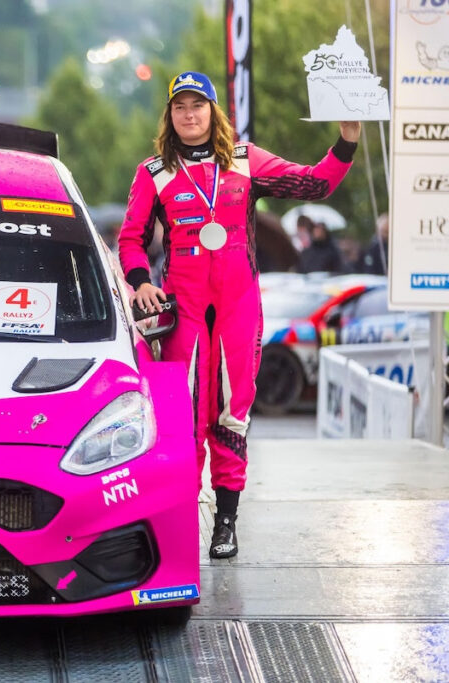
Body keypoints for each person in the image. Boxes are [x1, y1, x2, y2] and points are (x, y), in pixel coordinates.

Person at [119, 71, 360, 559]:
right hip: (183, 310)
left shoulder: (247, 161)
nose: (190, 115)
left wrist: (347, 140)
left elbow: (313, 184)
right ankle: (181, 521)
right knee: (186, 419)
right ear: (171, 115)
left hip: (238, 306)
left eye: (198, 106)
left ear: (213, 112)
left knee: (232, 413)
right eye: (181, 107)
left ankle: (225, 524)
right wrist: (142, 282)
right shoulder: (154, 173)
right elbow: (130, 238)